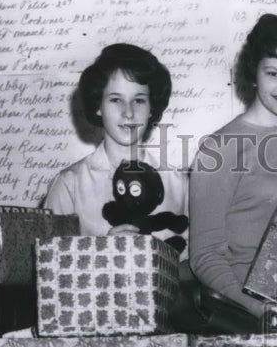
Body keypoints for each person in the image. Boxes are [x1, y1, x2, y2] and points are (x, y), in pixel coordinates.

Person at [188, 14, 277, 323]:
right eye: (273, 73)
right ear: (254, 73)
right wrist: (259, 311)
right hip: (253, 316)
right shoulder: (219, 149)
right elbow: (204, 255)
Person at [44, 43, 187, 237]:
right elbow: (50, 255)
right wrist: (106, 249)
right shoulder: (70, 185)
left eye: (139, 100)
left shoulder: (179, 185)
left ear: (151, 108)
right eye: (116, 100)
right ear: (98, 106)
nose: (128, 113)